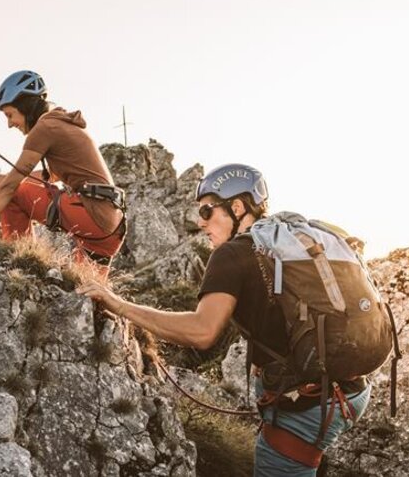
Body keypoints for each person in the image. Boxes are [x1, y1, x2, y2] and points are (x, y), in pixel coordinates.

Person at [77, 164, 373, 476]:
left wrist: (119, 305)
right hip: (352, 388)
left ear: (236, 207)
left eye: (206, 211)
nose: (199, 222)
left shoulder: (232, 254)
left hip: (307, 404)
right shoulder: (282, 242)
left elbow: (202, 332)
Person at [0, 70, 126, 269]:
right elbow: (53, 175)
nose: (9, 124)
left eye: (10, 115)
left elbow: (9, 187)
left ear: (25, 106)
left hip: (93, 214)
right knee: (87, 293)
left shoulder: (45, 127)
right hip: (110, 227)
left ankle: (20, 262)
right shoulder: (62, 123)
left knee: (13, 193)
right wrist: (9, 177)